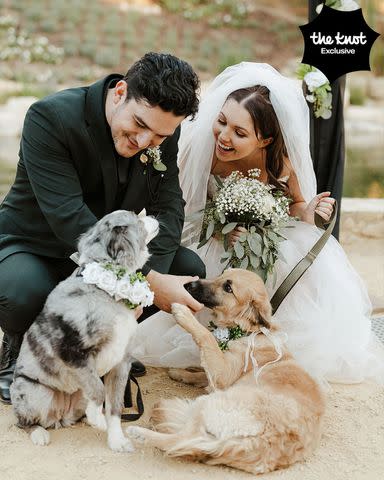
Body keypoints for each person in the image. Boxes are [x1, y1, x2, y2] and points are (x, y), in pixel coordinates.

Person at [134, 62, 384, 386]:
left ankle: (260, 338)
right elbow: (179, 209)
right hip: (211, 235)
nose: (224, 136)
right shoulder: (204, 155)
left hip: (266, 236)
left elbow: (294, 205)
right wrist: (220, 231)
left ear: (264, 139)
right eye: (221, 122)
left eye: (239, 133)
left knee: (294, 258)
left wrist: (306, 213)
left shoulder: (279, 163)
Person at [0, 52, 206, 404]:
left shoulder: (161, 133)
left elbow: (169, 208)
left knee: (188, 270)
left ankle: (99, 347)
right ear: (120, 92)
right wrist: (147, 285)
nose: (143, 142)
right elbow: (69, 217)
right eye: (139, 125)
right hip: (35, 248)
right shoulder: (50, 117)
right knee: (25, 291)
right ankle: (21, 349)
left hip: (109, 255)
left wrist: (145, 279)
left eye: (158, 137)